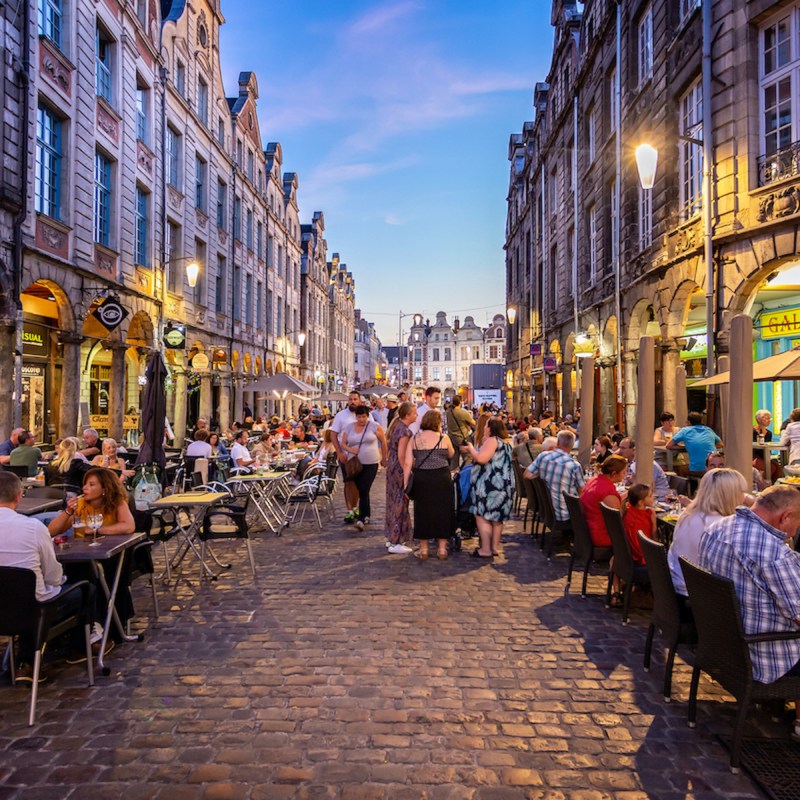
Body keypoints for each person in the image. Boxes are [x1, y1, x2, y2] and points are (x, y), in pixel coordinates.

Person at [698, 484, 800, 741]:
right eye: (797, 523)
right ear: (785, 516)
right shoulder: (773, 552)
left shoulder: (717, 528)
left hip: (724, 643)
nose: (795, 532)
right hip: (764, 654)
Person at [0, 471, 81, 680]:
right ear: (19, 496)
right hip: (28, 612)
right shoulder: (33, 528)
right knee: (80, 591)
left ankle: (25, 662)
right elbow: (54, 576)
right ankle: (79, 648)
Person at [667, 467, 747, 597]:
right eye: (742, 492)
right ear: (731, 495)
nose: (744, 497)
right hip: (698, 598)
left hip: (677, 586)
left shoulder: (688, 514)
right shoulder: (721, 526)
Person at [404, 409, 455, 559]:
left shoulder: (414, 439)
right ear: (438, 423)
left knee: (422, 512)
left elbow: (408, 463)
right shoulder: (444, 438)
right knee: (443, 511)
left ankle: (424, 549)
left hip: (422, 478)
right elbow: (451, 454)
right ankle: (442, 549)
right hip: (442, 477)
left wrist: (405, 485)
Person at [462, 418, 514, 559]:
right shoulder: (506, 443)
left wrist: (470, 449)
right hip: (503, 484)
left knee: (482, 515)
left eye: (486, 425)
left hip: (489, 485)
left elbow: (481, 459)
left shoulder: (493, 440)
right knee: (497, 518)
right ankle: (494, 547)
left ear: (491, 428)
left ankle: (485, 549)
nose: (484, 427)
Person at [48, 467, 136, 539]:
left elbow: (129, 526)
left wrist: (96, 530)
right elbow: (51, 532)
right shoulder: (80, 504)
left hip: (110, 553)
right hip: (82, 553)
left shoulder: (117, 502)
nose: (84, 488)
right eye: (85, 484)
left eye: (91, 484)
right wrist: (68, 511)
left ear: (105, 489)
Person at [341, 404, 388, 532]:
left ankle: (361, 518)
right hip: (355, 463)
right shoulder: (349, 427)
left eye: (363, 417)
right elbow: (343, 443)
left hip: (371, 462)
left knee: (364, 487)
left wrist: (384, 457)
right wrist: (350, 449)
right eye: (359, 417)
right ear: (355, 417)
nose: (361, 419)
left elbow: (383, 441)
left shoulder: (374, 426)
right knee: (361, 489)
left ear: (367, 416)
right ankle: (366, 514)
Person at [525, 431, 585, 526]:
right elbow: (582, 493)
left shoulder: (543, 456)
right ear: (572, 445)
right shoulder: (574, 465)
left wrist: (540, 473)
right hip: (565, 514)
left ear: (558, 442)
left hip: (547, 509)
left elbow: (526, 475)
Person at [385, 402, 417, 554]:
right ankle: (396, 540)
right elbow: (402, 456)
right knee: (399, 503)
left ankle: (392, 536)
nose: (416, 415)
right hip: (398, 470)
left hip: (391, 468)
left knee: (392, 502)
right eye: (414, 413)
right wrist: (407, 476)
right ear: (407, 415)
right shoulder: (404, 431)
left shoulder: (396, 427)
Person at [580, 454, 628, 550]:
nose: (625, 475)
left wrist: (627, 494)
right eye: (624, 472)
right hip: (601, 535)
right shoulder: (607, 492)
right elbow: (617, 518)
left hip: (586, 529)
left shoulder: (594, 480)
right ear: (614, 473)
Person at [330, 391, 361, 524]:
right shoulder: (341, 416)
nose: (352, 401)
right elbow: (333, 435)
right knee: (348, 482)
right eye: (350, 399)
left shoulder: (365, 415)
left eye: (355, 399)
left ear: (359, 401)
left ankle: (356, 507)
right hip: (346, 456)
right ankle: (349, 510)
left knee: (359, 483)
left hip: (361, 456)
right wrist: (339, 452)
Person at [668, 412, 722, 477]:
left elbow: (669, 445)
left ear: (689, 422)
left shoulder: (685, 430)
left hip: (698, 470)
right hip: (713, 469)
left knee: (679, 469)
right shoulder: (708, 430)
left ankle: (689, 486)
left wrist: (685, 447)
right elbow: (721, 444)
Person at [623, 483, 658, 565]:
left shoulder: (629, 511)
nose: (653, 497)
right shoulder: (647, 515)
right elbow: (654, 536)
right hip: (641, 555)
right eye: (650, 496)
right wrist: (654, 520)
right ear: (641, 502)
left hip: (630, 552)